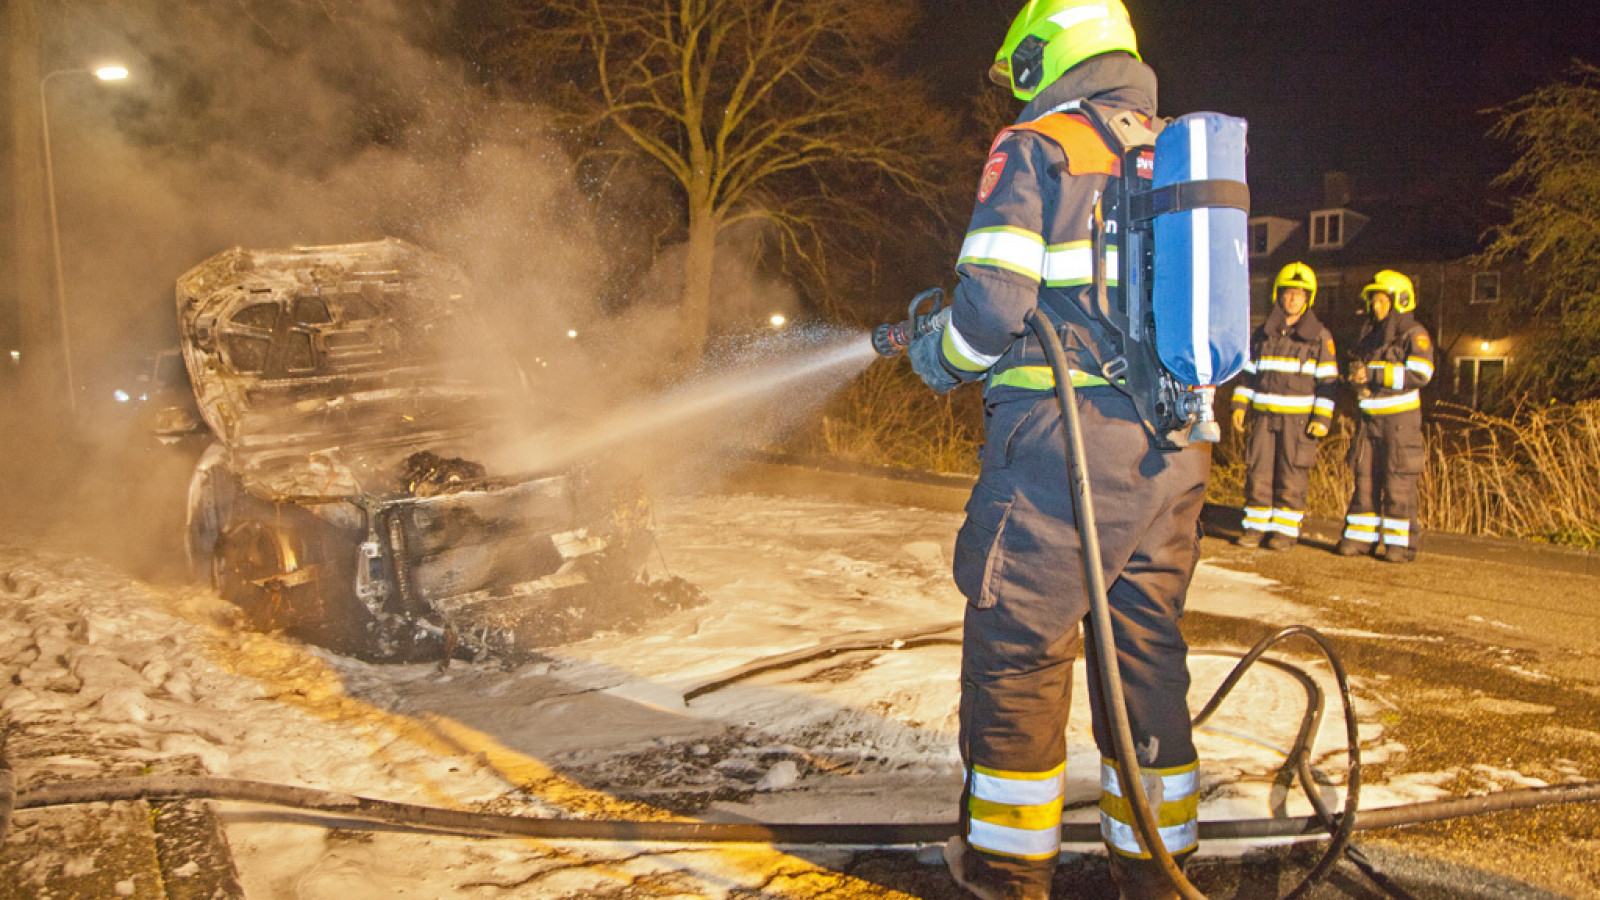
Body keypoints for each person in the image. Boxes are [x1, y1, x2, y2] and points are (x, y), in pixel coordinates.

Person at [906, 2, 1203, 897]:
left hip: (1063, 451)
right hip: (1176, 453)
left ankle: (1004, 873)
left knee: (1020, 652)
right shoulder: (1173, 152)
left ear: (1043, 51)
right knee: (1144, 653)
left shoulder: (1044, 143)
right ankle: (1157, 865)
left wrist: (937, 355)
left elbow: (992, 308)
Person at [1230, 263, 1339, 550]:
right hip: (1264, 418)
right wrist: (1240, 405)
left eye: (1298, 295)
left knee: (1292, 474)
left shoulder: (1320, 337)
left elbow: (1328, 382)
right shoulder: (1263, 334)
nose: (1292, 300)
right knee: (1259, 471)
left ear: (1308, 299)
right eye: (1288, 294)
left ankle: (1284, 533)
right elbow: (1248, 374)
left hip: (1298, 422)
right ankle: (1255, 528)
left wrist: (1322, 418)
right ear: (1278, 296)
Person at [1337, 270, 1434, 563]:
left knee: (1397, 483)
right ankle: (1360, 539)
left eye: (1382, 301)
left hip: (1399, 423)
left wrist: (1375, 374)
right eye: (1374, 301)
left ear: (1400, 301)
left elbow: (1421, 373)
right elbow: (1358, 369)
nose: (1376, 307)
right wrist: (1355, 379)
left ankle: (1399, 546)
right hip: (1369, 423)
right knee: (1364, 480)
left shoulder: (1414, 334)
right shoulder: (1370, 335)